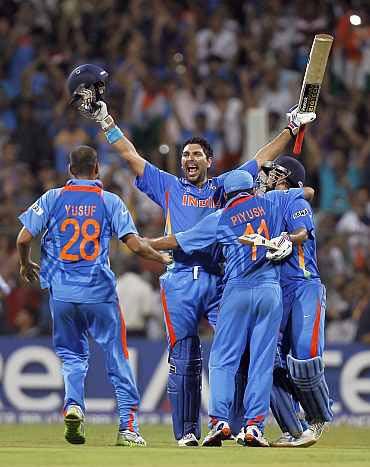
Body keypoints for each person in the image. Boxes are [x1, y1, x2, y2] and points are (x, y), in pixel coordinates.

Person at [67, 63, 316, 446]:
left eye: (196, 154)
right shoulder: (167, 186)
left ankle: (266, 426)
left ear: (209, 160)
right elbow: (130, 155)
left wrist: (291, 128)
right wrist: (104, 118)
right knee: (184, 359)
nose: (189, 159)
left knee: (245, 355)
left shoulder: (223, 188)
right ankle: (187, 433)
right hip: (181, 279)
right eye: (185, 155)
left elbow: (263, 157)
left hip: (223, 280)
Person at [146, 170, 314, 447]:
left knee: (223, 360)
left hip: (236, 289)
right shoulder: (271, 201)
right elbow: (307, 193)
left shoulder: (220, 216)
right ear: (250, 188)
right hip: (269, 290)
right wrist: (287, 235)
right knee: (261, 363)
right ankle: (253, 427)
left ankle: (220, 421)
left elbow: (176, 241)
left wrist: (143, 243)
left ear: (227, 193)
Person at [16, 145, 170, 447]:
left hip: (61, 294)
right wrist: (162, 257)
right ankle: (127, 428)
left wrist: (25, 263)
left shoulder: (53, 197)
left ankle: (73, 406)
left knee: (72, 357)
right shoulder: (109, 201)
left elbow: (23, 237)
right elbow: (136, 246)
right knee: (117, 356)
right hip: (98, 293)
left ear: (70, 170)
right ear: (97, 168)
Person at [261, 155, 333, 447]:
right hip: (274, 292)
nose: (266, 178)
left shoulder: (295, 201)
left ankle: (318, 417)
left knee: (303, 360)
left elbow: (302, 232)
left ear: (287, 178)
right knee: (265, 364)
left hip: (304, 286)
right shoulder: (264, 207)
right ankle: (294, 428)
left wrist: (287, 239)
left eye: (273, 173)